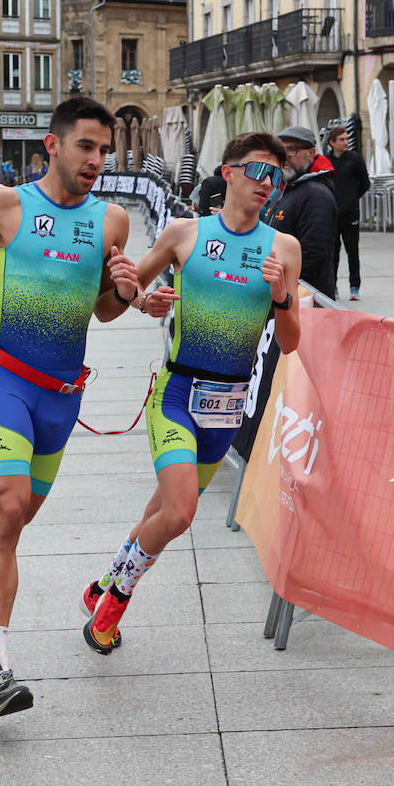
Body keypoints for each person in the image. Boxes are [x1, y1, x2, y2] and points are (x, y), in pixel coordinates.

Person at [0, 96, 143, 718]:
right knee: (10, 509)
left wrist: (124, 294)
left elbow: (102, 309)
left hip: (62, 397)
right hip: (5, 383)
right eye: (86, 147)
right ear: (53, 145)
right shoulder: (6, 204)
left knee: (10, 515)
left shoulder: (111, 221)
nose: (98, 160)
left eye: (105, 150)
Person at [79, 132, 302, 654]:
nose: (267, 185)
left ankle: (100, 584)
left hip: (228, 409)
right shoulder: (185, 233)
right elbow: (126, 292)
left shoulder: (283, 248)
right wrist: (141, 300)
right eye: (257, 171)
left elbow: (290, 344)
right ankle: (110, 610)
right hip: (176, 394)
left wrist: (282, 297)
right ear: (227, 173)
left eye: (276, 176)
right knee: (179, 514)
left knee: (159, 511)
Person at [272, 125, 338, 300]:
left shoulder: (315, 194)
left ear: (311, 153)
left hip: (304, 300)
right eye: (280, 150)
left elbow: (312, 256)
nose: (284, 157)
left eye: (292, 150)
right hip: (284, 294)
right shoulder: (286, 189)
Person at [327, 125, 371, 299]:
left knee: (352, 252)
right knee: (332, 254)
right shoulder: (326, 161)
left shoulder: (355, 159)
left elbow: (365, 183)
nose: (346, 142)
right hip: (331, 215)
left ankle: (354, 286)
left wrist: (352, 198)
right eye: (342, 139)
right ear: (332, 142)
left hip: (350, 214)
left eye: (346, 139)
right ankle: (333, 287)